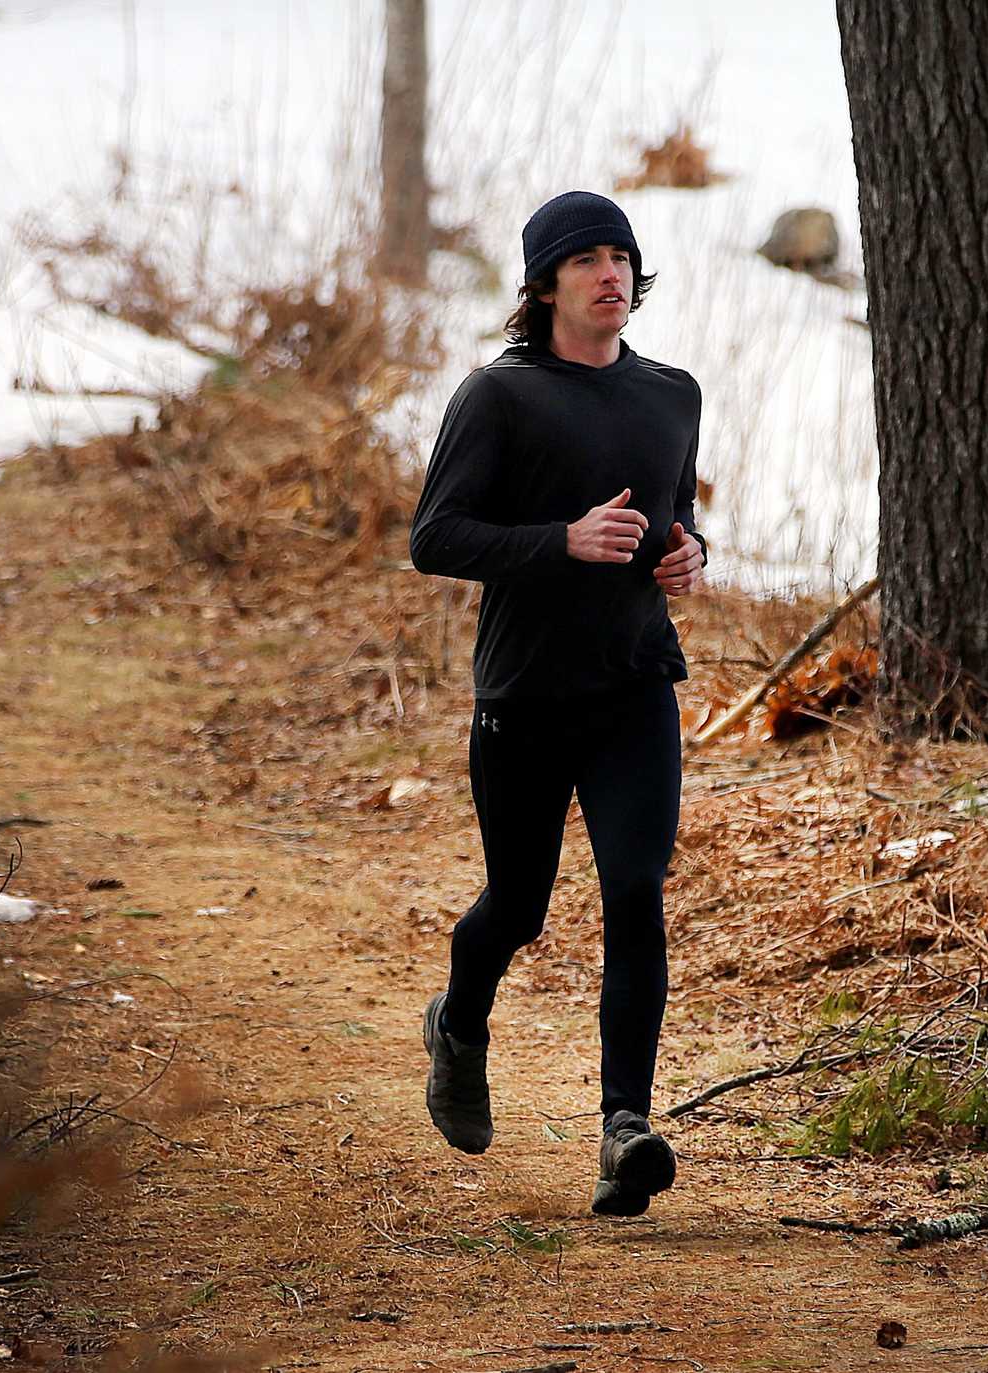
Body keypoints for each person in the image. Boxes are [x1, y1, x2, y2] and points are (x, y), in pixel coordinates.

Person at [408, 190, 706, 1217]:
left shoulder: (672, 393)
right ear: (543, 283)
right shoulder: (497, 397)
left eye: (621, 255)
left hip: (633, 688)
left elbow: (679, 508)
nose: (609, 273)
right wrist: (558, 541)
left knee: (635, 891)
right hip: (525, 695)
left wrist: (687, 552)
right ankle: (458, 1018)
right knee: (519, 907)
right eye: (585, 257)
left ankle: (624, 1128)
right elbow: (435, 537)